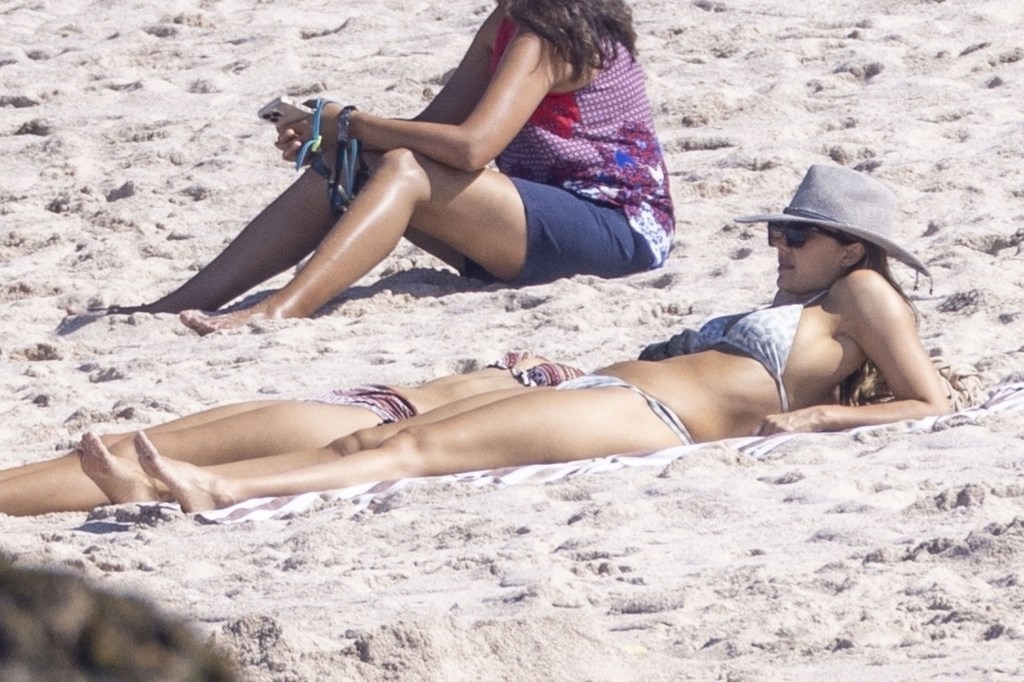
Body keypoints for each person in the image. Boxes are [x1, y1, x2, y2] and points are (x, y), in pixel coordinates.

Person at [85, 164, 954, 513]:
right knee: (377, 434)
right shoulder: (816, 302)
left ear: (849, 247)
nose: (779, 247)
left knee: (417, 447)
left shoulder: (866, 294)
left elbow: (932, 402)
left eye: (796, 237)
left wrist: (819, 422)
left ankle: (218, 491)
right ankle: (182, 481)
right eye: (776, 233)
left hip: (649, 417)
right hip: (604, 393)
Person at [104, 0, 674, 334]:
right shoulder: (511, 18)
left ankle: (282, 309)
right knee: (354, 165)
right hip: (538, 223)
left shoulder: (551, 32)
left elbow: (471, 149)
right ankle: (182, 302)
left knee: (395, 166)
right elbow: (439, 129)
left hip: (618, 228)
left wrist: (348, 121)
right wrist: (333, 137)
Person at [0, 354, 583, 516]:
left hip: (360, 416)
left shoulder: (578, 386)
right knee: (123, 446)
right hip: (356, 404)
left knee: (119, 459)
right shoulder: (594, 389)